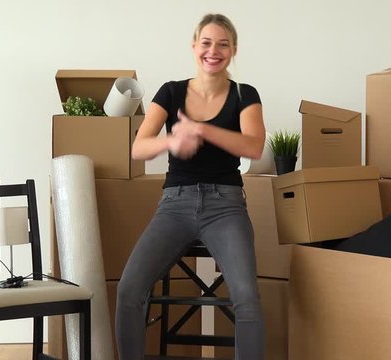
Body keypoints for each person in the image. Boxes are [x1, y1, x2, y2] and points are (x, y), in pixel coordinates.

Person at [115, 13, 266, 360]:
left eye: (223, 44)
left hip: (225, 205)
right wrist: (171, 143)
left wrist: (201, 130)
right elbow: (138, 147)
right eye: (207, 43)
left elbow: (253, 146)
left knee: (246, 295)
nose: (214, 51)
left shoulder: (245, 94)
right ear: (194, 46)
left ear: (234, 51)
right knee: (129, 289)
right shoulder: (171, 92)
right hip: (174, 204)